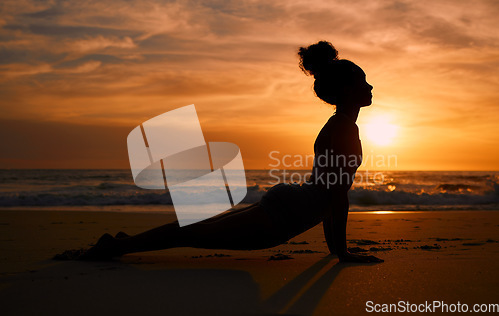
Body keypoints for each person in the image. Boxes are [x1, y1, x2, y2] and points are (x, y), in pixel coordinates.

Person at [79, 41, 383, 263]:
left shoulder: (339, 126)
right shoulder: (344, 129)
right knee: (194, 234)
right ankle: (116, 247)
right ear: (346, 91)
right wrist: (341, 252)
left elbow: (331, 193)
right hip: (288, 211)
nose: (370, 88)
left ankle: (123, 243)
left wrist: (336, 250)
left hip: (291, 204)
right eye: (363, 83)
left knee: (197, 230)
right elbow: (335, 195)